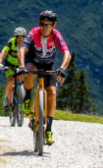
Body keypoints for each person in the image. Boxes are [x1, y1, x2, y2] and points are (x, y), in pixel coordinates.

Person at [17, 10, 70, 146]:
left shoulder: (56, 35)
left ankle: (49, 129)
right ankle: (28, 98)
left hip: (49, 65)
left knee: (52, 92)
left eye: (48, 25)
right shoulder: (34, 32)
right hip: (33, 62)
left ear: (54, 25)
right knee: (30, 70)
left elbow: (67, 54)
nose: (45, 27)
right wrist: (22, 66)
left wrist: (62, 69)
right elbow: (22, 50)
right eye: (42, 24)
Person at [0, 27, 27, 110]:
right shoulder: (11, 42)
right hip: (9, 64)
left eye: (22, 37)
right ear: (15, 37)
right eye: (18, 36)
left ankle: (20, 98)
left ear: (25, 36)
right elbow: (3, 52)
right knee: (11, 80)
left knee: (21, 80)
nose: (20, 39)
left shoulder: (27, 43)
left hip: (22, 65)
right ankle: (7, 97)